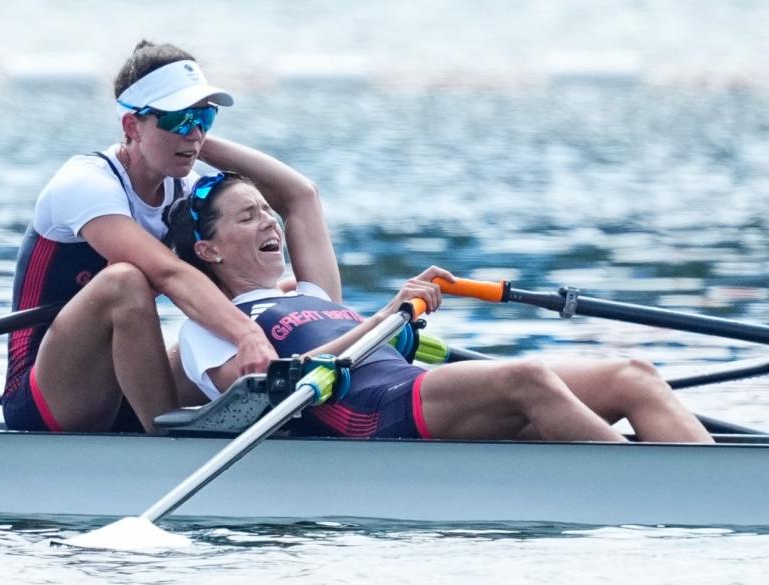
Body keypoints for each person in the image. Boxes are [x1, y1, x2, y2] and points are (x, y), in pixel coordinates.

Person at [162, 149, 715, 443]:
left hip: (418, 391)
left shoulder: (311, 291)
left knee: (634, 374)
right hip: (367, 415)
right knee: (524, 378)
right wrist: (385, 315)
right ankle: (655, 486)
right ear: (208, 251)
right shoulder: (209, 326)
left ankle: (717, 486)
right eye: (247, 216)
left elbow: (302, 195)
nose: (270, 222)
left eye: (265, 210)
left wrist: (194, 139)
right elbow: (263, 394)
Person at [1, 40, 277, 433]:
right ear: (132, 126)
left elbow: (296, 196)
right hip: (44, 397)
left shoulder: (189, 189)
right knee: (124, 281)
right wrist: (246, 333)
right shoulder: (85, 183)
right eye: (179, 119)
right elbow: (168, 274)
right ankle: (164, 441)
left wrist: (286, 309)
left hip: (120, 387)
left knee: (265, 292)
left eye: (205, 118)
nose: (195, 134)